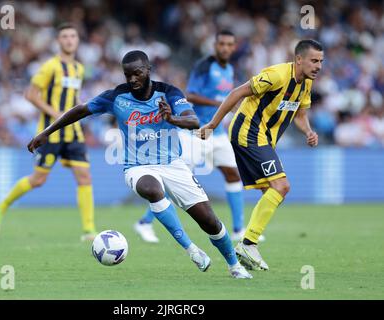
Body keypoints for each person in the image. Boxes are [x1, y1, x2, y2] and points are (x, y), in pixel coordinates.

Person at [27, 50, 252, 279]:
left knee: (210, 221)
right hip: (137, 167)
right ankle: (191, 249)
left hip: (172, 164)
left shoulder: (169, 93)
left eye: (137, 73)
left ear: (148, 70)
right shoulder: (117, 97)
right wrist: (47, 132)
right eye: (127, 75)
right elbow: (80, 110)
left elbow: (193, 120)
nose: (132, 79)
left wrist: (172, 119)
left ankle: (234, 265)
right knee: (152, 189)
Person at [199, 39, 322, 271]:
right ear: (299, 59)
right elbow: (237, 92)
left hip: (264, 138)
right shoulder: (276, 75)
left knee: (272, 191)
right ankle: (248, 244)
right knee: (282, 186)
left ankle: (247, 246)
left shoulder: (305, 84)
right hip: (248, 132)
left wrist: (308, 131)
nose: (318, 66)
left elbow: (300, 114)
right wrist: (213, 124)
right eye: (314, 60)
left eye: (321, 61)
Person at [134, 30, 264, 243]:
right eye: (221, 43)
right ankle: (145, 222)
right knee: (176, 181)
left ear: (233, 47)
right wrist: (222, 104)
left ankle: (239, 229)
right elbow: (190, 94)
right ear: (215, 45)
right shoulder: (204, 66)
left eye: (229, 44)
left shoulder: (229, 69)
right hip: (196, 132)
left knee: (233, 175)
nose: (225, 47)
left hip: (218, 133)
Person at [0, 23, 97, 241]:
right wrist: (56, 114)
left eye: (72, 36)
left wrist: (79, 113)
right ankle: (2, 206)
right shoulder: (50, 66)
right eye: (64, 36)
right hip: (51, 132)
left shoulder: (79, 68)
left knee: (84, 177)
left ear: (77, 41)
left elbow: (73, 97)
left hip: (74, 132)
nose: (69, 40)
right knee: (38, 180)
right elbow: (30, 94)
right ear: (59, 41)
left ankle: (88, 230)